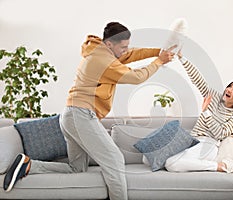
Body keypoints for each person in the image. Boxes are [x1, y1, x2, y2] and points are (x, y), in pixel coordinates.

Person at [3, 22, 176, 200]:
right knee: (115, 159)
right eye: (123, 47)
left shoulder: (100, 51)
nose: (126, 50)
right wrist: (159, 61)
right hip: (80, 115)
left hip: (72, 115)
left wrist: (158, 51)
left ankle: (29, 164)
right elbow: (136, 77)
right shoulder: (104, 61)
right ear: (110, 44)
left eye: (127, 46)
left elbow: (131, 53)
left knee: (77, 168)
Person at [165, 51, 233, 178]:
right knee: (153, 160)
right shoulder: (214, 97)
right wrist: (182, 58)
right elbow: (198, 80)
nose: (228, 89)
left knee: (171, 164)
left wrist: (206, 112)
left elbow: (220, 133)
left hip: (208, 144)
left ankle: (221, 166)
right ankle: (210, 165)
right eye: (230, 86)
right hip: (192, 141)